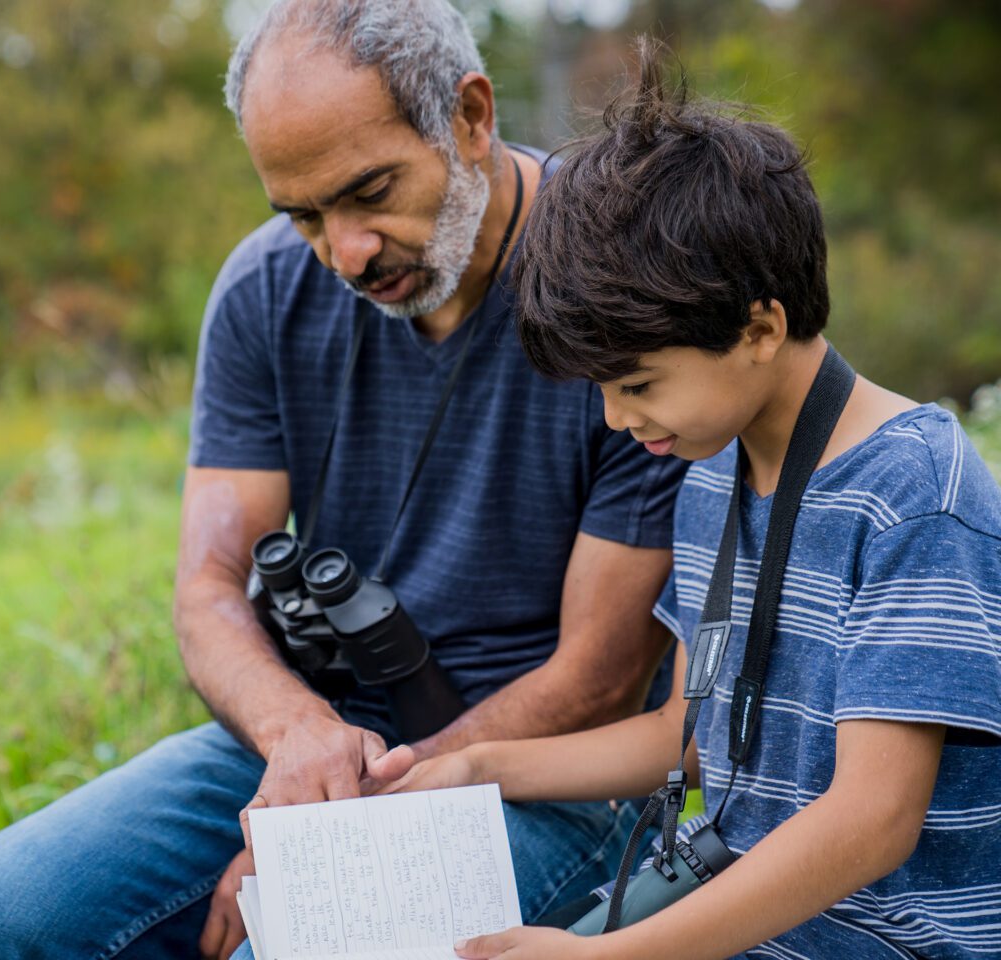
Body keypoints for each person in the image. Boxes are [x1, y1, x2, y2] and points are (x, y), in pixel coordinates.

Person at [0, 4, 690, 959]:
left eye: (370, 191)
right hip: (323, 737)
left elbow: (600, 680)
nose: (346, 252)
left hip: (560, 775)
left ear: (471, 116)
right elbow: (209, 589)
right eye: (302, 215)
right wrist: (298, 739)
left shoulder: (620, 276)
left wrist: (326, 837)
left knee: (295, 946)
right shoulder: (261, 289)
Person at [380, 38, 1001, 960]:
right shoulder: (709, 473)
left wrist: (608, 957)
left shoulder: (913, 492)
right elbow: (688, 735)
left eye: (635, 384)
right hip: (751, 916)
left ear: (760, 327)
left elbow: (874, 822)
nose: (616, 418)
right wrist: (476, 766)